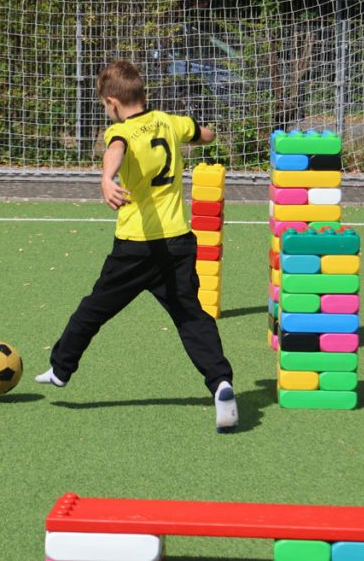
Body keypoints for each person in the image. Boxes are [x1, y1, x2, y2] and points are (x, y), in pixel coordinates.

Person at [34, 59, 239, 433]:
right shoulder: (170, 122)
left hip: (135, 249)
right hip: (178, 243)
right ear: (143, 94)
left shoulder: (121, 131)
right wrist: (210, 134)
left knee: (92, 310)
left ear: (112, 102)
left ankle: (61, 370)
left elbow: (116, 148)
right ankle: (221, 383)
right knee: (192, 318)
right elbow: (202, 134)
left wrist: (106, 179)